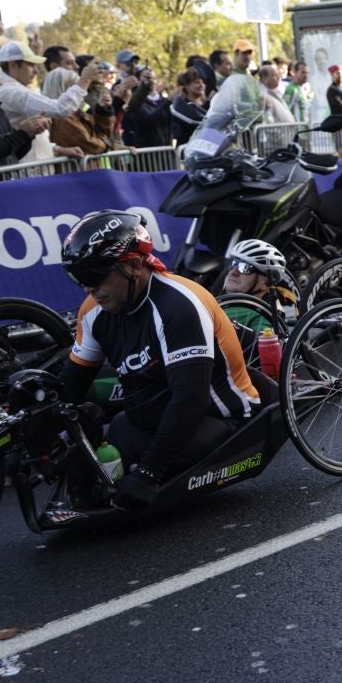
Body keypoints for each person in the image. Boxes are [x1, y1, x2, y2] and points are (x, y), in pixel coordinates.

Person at [58, 211, 262, 509]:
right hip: (143, 422)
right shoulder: (92, 310)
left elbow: (190, 399)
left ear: (134, 265)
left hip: (213, 420)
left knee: (132, 483)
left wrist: (149, 473)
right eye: (79, 279)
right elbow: (72, 384)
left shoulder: (178, 305)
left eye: (94, 276)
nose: (88, 288)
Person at [0, 40, 97, 161]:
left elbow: (34, 137)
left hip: (35, 166)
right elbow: (61, 108)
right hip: (29, 170)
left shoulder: (15, 89)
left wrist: (57, 150)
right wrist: (84, 80)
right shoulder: (12, 92)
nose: (36, 71)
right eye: (31, 65)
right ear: (12, 64)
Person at [221, 239, 298, 332]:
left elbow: (262, 341)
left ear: (265, 283)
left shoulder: (261, 317)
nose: (233, 272)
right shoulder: (218, 300)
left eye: (244, 268)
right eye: (234, 264)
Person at [43, 67, 113, 156]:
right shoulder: (63, 118)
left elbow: (99, 132)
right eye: (77, 86)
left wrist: (103, 112)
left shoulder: (79, 110)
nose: (83, 91)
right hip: (79, 168)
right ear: (65, 88)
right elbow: (90, 145)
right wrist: (106, 143)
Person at [171, 67, 208, 145]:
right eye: (197, 82)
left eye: (202, 82)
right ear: (186, 86)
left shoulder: (208, 104)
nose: (201, 85)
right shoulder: (182, 108)